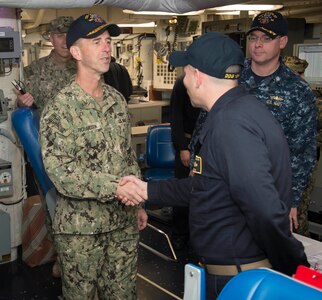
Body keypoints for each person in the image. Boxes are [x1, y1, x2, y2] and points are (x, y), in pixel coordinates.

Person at [118, 32, 309, 299]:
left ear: (197, 75)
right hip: (232, 269)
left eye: (185, 72)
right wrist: (147, 190)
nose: (183, 81)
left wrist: (293, 267)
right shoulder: (234, 112)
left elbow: (263, 208)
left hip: (239, 277)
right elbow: (207, 185)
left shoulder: (232, 126)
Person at [39, 13, 147, 300]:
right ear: (75, 52)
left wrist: (138, 203)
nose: (106, 48)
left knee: (123, 295)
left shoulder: (117, 100)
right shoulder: (59, 109)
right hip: (81, 232)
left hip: (122, 224)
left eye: (108, 41)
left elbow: (127, 157)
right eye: (96, 41)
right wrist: (116, 187)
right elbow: (63, 174)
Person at [239, 11, 317, 233]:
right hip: (230, 185)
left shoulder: (297, 91)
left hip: (272, 190)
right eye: (253, 38)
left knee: (274, 256)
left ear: (282, 42)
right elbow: (206, 125)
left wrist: (291, 200)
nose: (258, 45)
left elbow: (303, 152)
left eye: (266, 38)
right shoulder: (232, 78)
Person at [16, 16, 77, 114]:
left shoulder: (86, 68)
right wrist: (21, 103)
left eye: (70, 35)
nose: (65, 41)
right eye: (60, 35)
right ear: (52, 39)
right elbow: (22, 102)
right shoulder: (34, 70)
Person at [170, 75, 200, 250]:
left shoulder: (211, 82)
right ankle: (180, 234)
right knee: (182, 192)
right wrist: (182, 147)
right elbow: (176, 117)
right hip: (187, 145)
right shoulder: (183, 83)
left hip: (205, 145)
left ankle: (197, 234)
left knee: (202, 194)